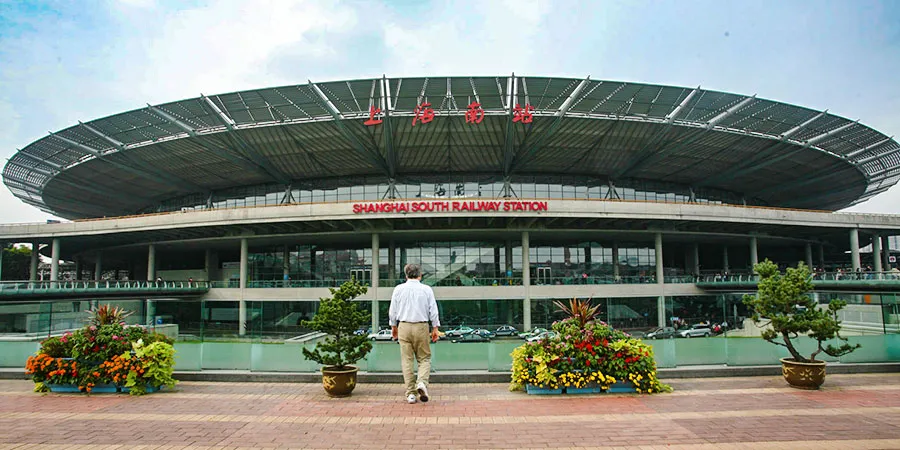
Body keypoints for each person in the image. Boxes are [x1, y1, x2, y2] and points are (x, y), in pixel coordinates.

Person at [389, 263, 440, 404]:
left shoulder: (398, 289)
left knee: (407, 360)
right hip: (421, 326)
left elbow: (392, 311)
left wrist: (394, 327)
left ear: (406, 275)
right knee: (424, 358)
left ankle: (411, 394)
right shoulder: (426, 289)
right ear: (420, 275)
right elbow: (433, 310)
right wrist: (435, 328)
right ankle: (422, 382)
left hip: (404, 325)